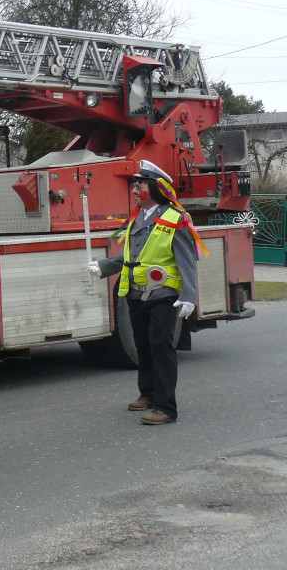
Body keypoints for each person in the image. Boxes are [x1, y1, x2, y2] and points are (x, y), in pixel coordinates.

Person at [87, 160, 201, 425]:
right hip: (136, 294)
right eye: (134, 185)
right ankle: (147, 394)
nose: (134, 190)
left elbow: (187, 260)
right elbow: (132, 256)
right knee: (144, 346)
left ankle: (166, 408)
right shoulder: (138, 216)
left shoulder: (176, 218)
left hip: (163, 296)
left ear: (154, 187)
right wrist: (102, 266)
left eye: (139, 185)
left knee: (161, 348)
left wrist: (188, 296)